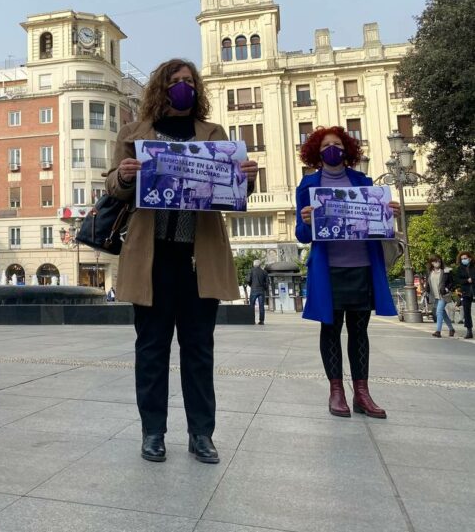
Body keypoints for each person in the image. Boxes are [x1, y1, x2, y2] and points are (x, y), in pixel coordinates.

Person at [107, 59, 258, 464]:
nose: (183, 87)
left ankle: (201, 434)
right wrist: (123, 175)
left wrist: (246, 175)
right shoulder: (134, 135)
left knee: (199, 350)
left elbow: (233, 192)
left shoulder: (213, 135)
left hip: (198, 259)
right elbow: (113, 188)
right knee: (151, 350)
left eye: (189, 82)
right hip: (151, 259)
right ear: (160, 88)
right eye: (175, 82)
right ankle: (152, 432)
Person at [295, 126, 399, 419]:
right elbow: (302, 235)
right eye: (326, 145)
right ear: (317, 151)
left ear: (347, 150)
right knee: (330, 328)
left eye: (337, 144)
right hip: (329, 270)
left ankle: (362, 394)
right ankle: (336, 392)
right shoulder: (308, 186)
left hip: (362, 266)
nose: (332, 149)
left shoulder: (363, 182)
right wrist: (305, 220)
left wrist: (389, 214)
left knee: (359, 331)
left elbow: (378, 222)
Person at [423, 255, 456, 338]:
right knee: (442, 312)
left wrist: (447, 289)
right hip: (435, 295)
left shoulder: (446, 271)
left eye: (439, 261)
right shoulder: (429, 272)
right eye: (435, 261)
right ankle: (451, 329)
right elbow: (428, 283)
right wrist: (426, 291)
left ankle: (438, 331)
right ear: (431, 263)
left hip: (444, 295)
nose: (437, 263)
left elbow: (452, 283)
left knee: (438, 311)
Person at [455, 251, 474, 339]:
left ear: (470, 258)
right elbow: (458, 280)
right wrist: (467, 280)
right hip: (466, 292)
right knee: (466, 312)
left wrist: (472, 280)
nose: (464, 260)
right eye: (462, 259)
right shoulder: (460, 269)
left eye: (465, 258)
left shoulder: (474, 267)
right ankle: (469, 330)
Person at [247, 260, 268, 325]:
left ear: (254, 264)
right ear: (260, 265)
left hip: (254, 290)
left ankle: (252, 320)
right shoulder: (264, 272)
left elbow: (248, 280)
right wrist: (264, 288)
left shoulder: (251, 271)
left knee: (251, 305)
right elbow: (267, 283)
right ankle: (261, 321)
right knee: (261, 306)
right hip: (261, 290)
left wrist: (251, 285)